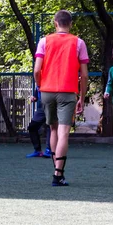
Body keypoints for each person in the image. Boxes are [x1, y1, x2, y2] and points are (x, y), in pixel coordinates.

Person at [34, 10, 89, 186]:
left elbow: (36, 70)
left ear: (55, 23)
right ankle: (58, 174)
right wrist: (82, 96)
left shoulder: (44, 41)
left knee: (53, 130)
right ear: (70, 23)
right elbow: (85, 75)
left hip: (47, 90)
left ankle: (56, 170)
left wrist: (39, 86)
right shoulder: (78, 43)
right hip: (68, 91)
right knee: (65, 132)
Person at [26, 88, 52, 158]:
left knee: (51, 126)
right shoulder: (38, 83)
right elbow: (36, 95)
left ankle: (49, 150)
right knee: (32, 127)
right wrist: (34, 97)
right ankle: (38, 151)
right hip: (42, 108)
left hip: (53, 106)